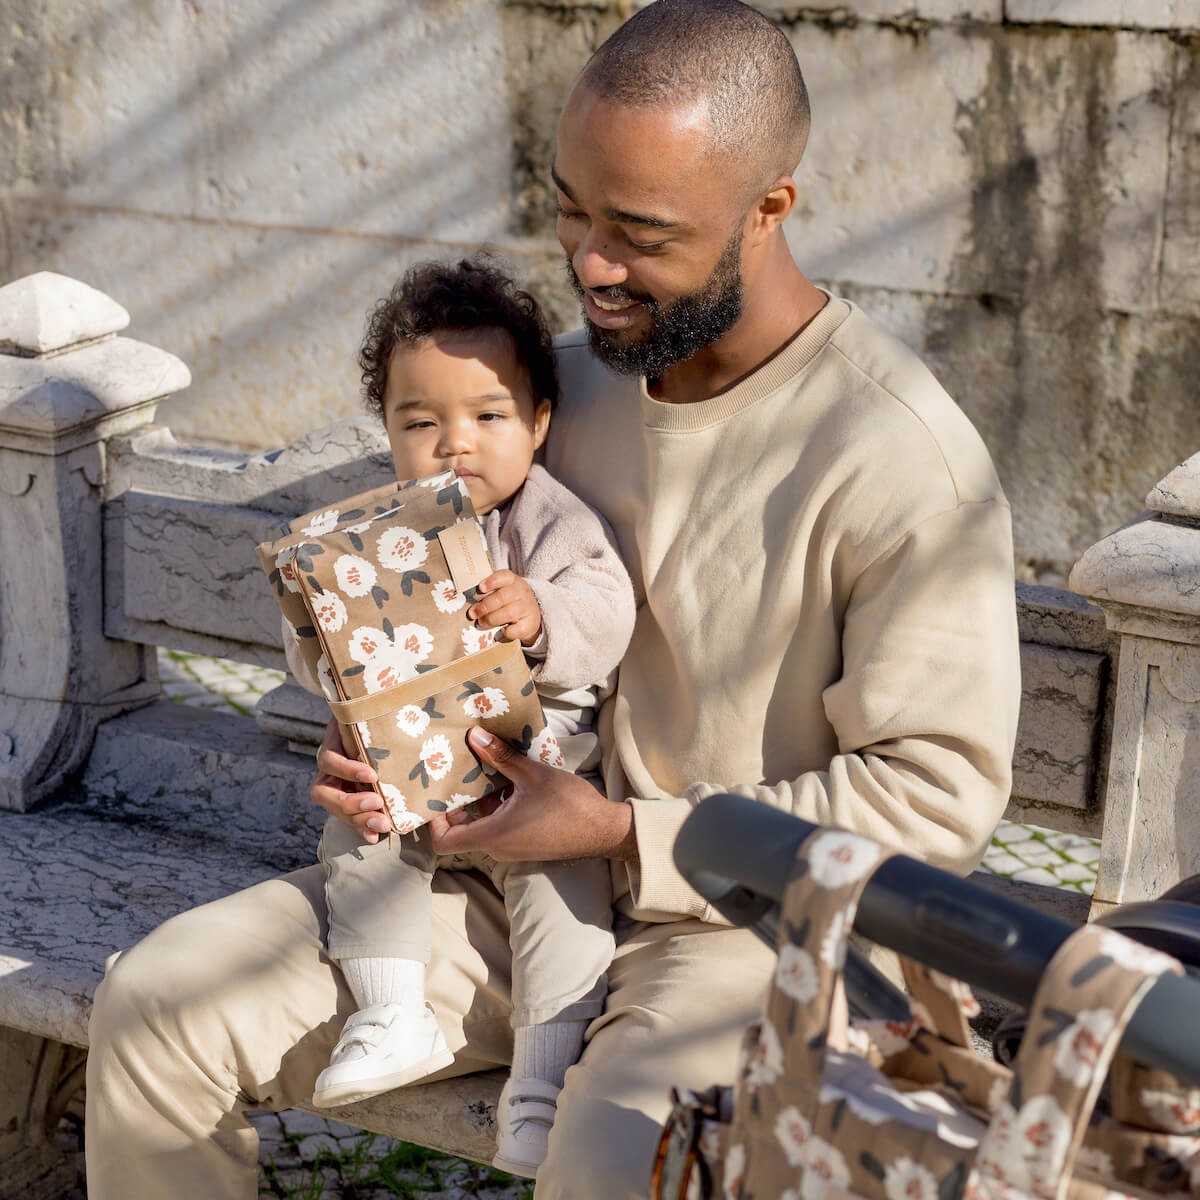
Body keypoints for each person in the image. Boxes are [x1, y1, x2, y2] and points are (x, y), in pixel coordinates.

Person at [84, 2, 1021, 1197]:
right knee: (159, 1007)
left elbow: (929, 802)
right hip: (476, 889)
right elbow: (392, 602)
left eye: (638, 231)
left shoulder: (897, 457)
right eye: (572, 208)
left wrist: (626, 834)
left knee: (615, 1152)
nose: (588, 264)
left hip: (735, 937)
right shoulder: (536, 396)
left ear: (770, 208)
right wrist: (374, 726)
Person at [282, 257, 634, 1177]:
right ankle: (389, 1009)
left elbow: (608, 608)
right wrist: (332, 655)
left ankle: (544, 1082)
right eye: (420, 422)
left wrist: (542, 614)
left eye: (488, 416)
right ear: (389, 433)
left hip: (538, 778)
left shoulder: (554, 525)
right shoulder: (376, 537)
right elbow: (315, 635)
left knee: (569, 897)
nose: (455, 445)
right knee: (354, 838)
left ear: (539, 422)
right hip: (415, 769)